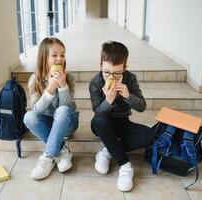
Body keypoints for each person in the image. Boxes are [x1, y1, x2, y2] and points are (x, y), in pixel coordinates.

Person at [89, 41, 155, 191]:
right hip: (102, 124)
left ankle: (107, 149)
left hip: (123, 122)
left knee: (149, 134)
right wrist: (108, 100)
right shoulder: (95, 82)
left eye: (117, 73)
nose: (111, 76)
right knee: (99, 120)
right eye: (106, 72)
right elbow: (98, 113)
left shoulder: (130, 79)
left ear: (124, 68)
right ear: (100, 65)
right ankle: (125, 165)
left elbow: (142, 106)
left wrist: (127, 95)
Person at [23, 37, 79, 180]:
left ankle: (48, 157)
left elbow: (67, 108)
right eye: (54, 55)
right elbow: (37, 111)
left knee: (62, 111)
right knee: (28, 116)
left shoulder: (69, 78)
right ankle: (62, 150)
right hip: (47, 122)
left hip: (67, 122)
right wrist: (50, 88)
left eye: (62, 55)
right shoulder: (34, 80)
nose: (59, 59)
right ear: (44, 58)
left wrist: (63, 86)